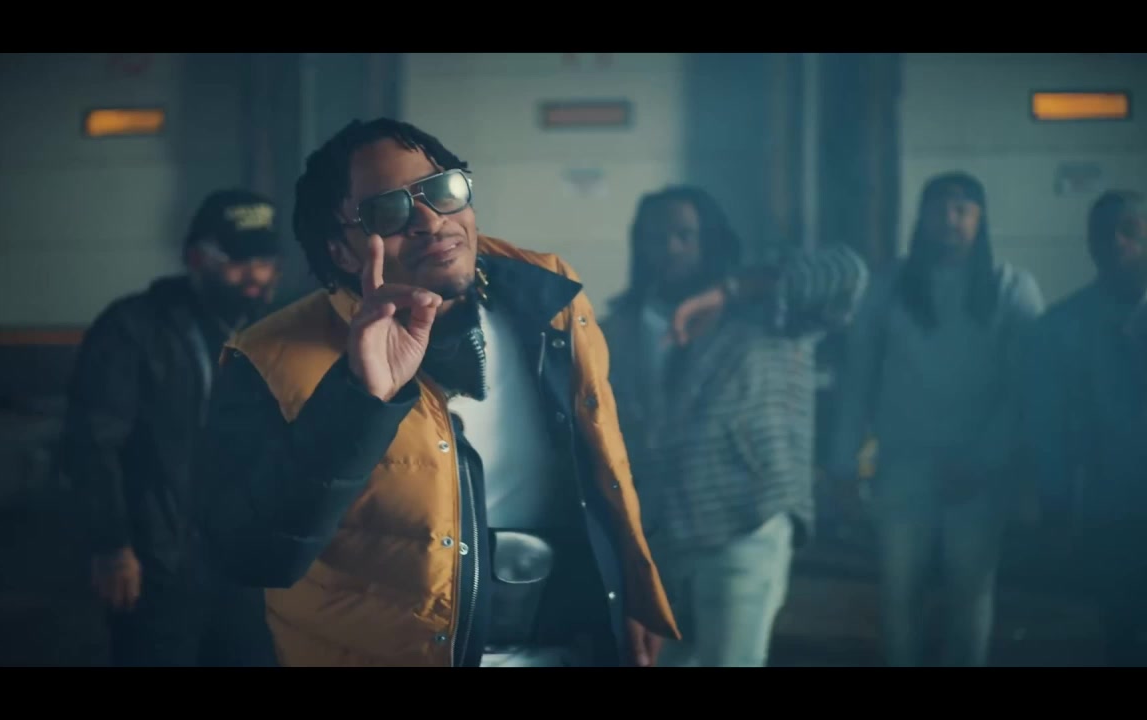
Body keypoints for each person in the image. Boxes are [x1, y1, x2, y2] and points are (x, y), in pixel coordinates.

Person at [194, 118, 679, 667]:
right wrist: (358, 400)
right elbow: (251, 557)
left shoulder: (548, 298)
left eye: (442, 189)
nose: (430, 220)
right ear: (343, 252)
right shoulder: (266, 358)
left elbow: (603, 462)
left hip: (570, 648)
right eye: (389, 211)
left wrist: (631, 591)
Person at [601, 185, 868, 667]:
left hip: (745, 522)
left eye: (685, 235)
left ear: (711, 239)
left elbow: (847, 272)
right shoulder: (620, 325)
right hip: (658, 535)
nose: (671, 247)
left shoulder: (771, 310)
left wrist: (729, 291)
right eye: (655, 237)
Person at [829, 171, 1044, 667]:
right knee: (899, 593)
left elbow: (1026, 390)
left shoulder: (1012, 287)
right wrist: (842, 465)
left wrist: (987, 460)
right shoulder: (888, 287)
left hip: (980, 473)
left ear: (980, 219)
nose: (950, 219)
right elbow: (858, 380)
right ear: (921, 218)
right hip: (904, 467)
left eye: (962, 209)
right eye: (939, 208)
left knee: (970, 595)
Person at [60, 188, 282, 667]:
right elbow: (92, 442)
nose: (256, 275)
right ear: (196, 258)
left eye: (265, 261)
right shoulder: (133, 328)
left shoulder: (270, 331)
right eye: (239, 261)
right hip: (158, 563)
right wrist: (112, 545)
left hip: (244, 564)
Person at [1024, 190, 1147, 666]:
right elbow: (1048, 425)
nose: (1117, 241)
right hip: (1111, 505)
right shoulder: (1061, 327)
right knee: (1120, 630)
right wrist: (1054, 504)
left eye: (1129, 229)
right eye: (1103, 232)